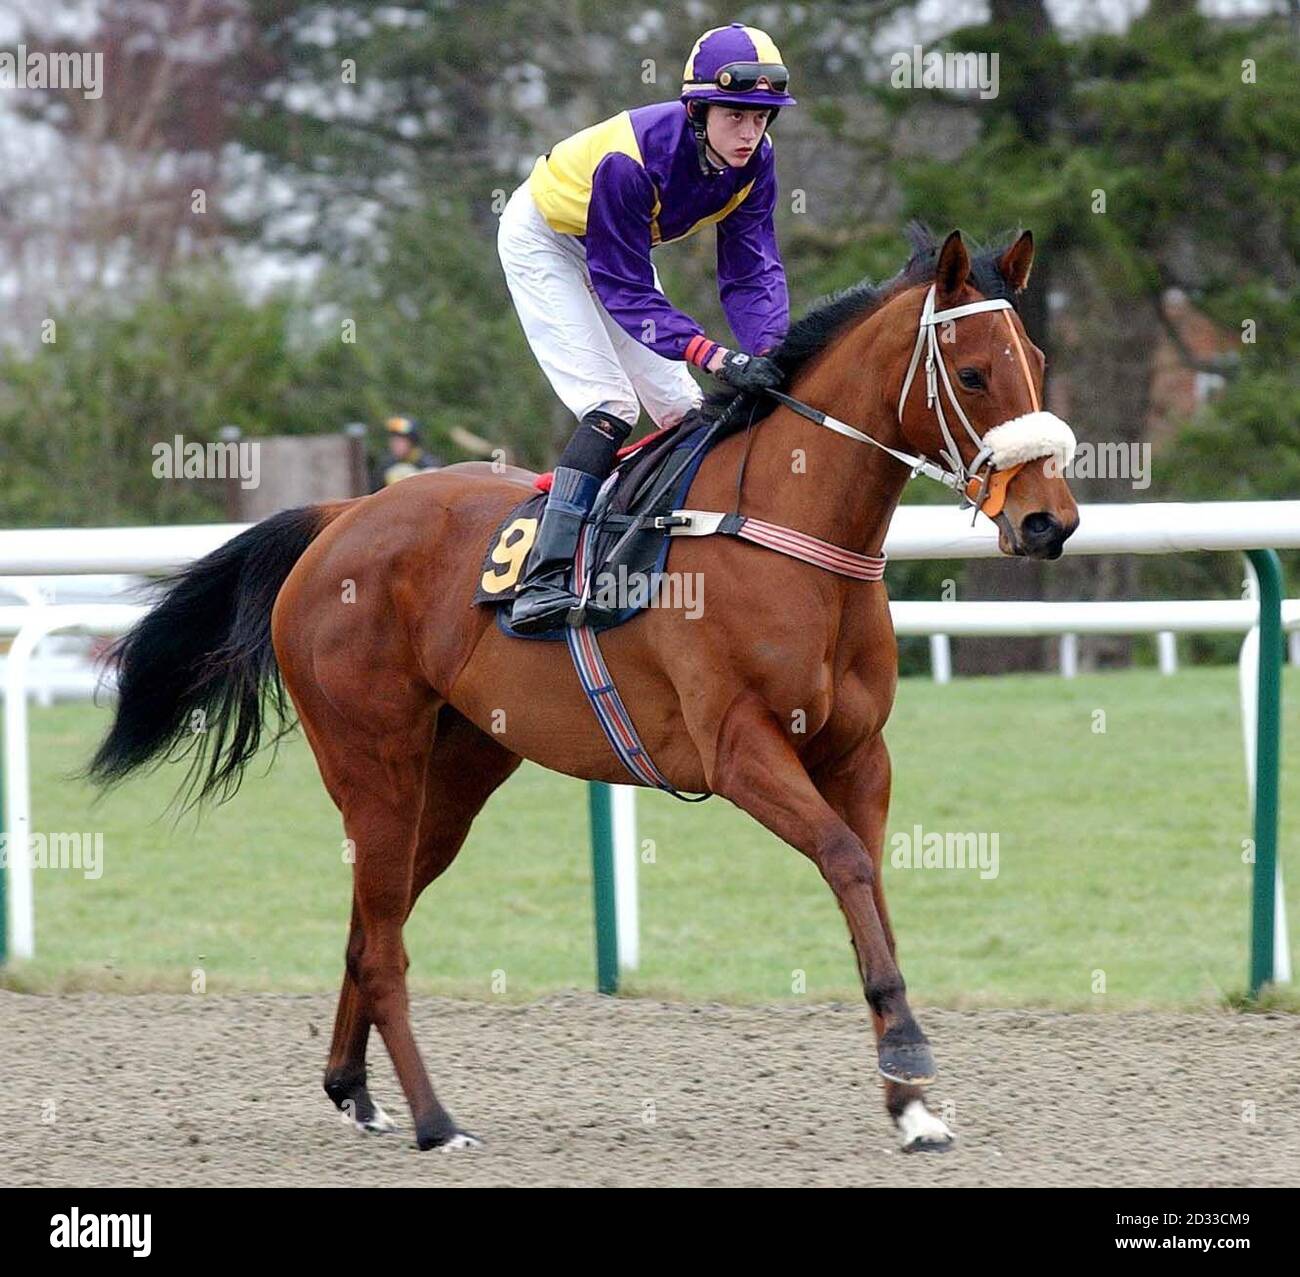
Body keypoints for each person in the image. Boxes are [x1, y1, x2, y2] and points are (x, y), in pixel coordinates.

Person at [497, 22, 796, 632]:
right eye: (736, 114)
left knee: (683, 413)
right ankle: (544, 578)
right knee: (609, 404)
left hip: (616, 249)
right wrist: (712, 354)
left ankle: (654, 563)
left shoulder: (755, 162)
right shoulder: (630, 164)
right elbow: (623, 288)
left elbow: (751, 270)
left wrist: (770, 352)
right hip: (547, 241)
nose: (751, 132)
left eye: (763, 117)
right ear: (698, 108)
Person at [371, 416, 442, 491]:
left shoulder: (429, 464)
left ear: (413, 441)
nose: (395, 444)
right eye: (393, 440)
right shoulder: (386, 465)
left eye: (400, 440)